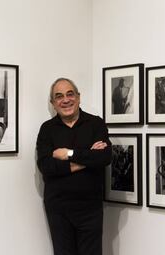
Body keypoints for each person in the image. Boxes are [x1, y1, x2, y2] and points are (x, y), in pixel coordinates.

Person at [36, 78, 112, 255]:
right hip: (58, 208)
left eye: (70, 94)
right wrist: (87, 159)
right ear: (53, 103)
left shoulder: (96, 124)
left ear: (78, 97)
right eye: (59, 96)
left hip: (90, 207)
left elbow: (105, 157)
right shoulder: (47, 129)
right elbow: (46, 167)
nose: (66, 100)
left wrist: (68, 154)